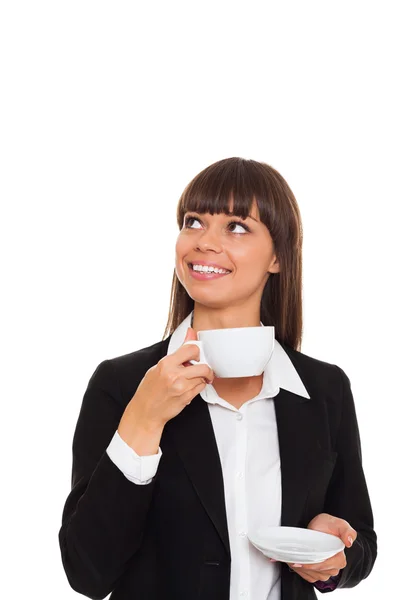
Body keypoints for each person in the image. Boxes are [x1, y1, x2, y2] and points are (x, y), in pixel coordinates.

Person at [58, 157, 377, 600]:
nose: (204, 242)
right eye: (194, 222)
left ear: (279, 257)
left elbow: (359, 540)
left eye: (237, 227)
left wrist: (335, 555)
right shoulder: (122, 383)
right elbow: (87, 573)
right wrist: (143, 423)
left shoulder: (325, 390)